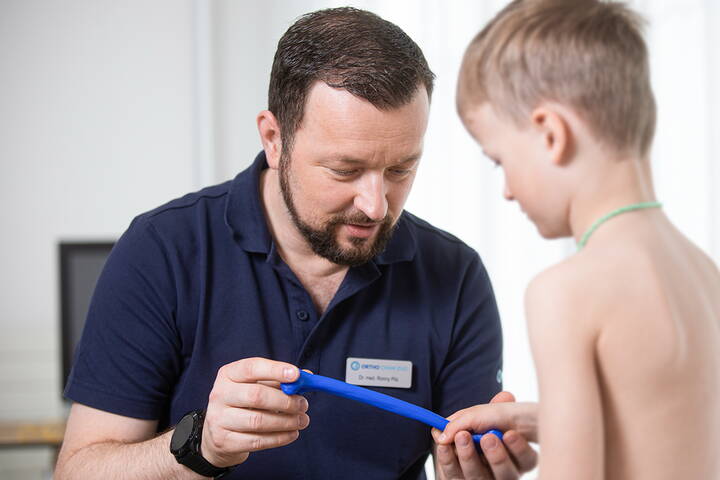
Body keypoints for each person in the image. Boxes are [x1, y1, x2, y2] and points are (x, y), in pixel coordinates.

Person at [54, 7, 537, 480]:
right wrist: (202, 447)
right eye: (344, 170)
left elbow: (468, 455)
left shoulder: (454, 274)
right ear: (273, 138)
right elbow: (79, 471)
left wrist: (477, 472)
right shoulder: (162, 251)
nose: (375, 205)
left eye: (400, 170)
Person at [434, 0, 720, 479]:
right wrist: (540, 418)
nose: (505, 190)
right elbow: (663, 423)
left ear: (550, 133)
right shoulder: (702, 271)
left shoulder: (565, 292)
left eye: (500, 160)